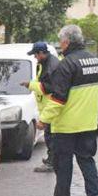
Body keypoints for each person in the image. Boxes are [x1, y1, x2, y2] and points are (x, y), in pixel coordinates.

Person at [37, 24, 98, 196]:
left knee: (63, 164)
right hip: (88, 124)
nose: (60, 45)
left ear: (66, 42)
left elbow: (58, 98)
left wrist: (44, 119)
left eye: (61, 42)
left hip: (66, 126)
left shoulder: (66, 64)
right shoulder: (95, 61)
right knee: (87, 161)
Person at [23, 41, 61, 172]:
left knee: (51, 137)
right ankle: (52, 159)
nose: (35, 57)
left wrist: (30, 85)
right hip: (47, 106)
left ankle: (52, 162)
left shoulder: (50, 66)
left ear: (41, 53)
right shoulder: (47, 63)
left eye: (35, 55)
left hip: (50, 107)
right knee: (50, 136)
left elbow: (48, 88)